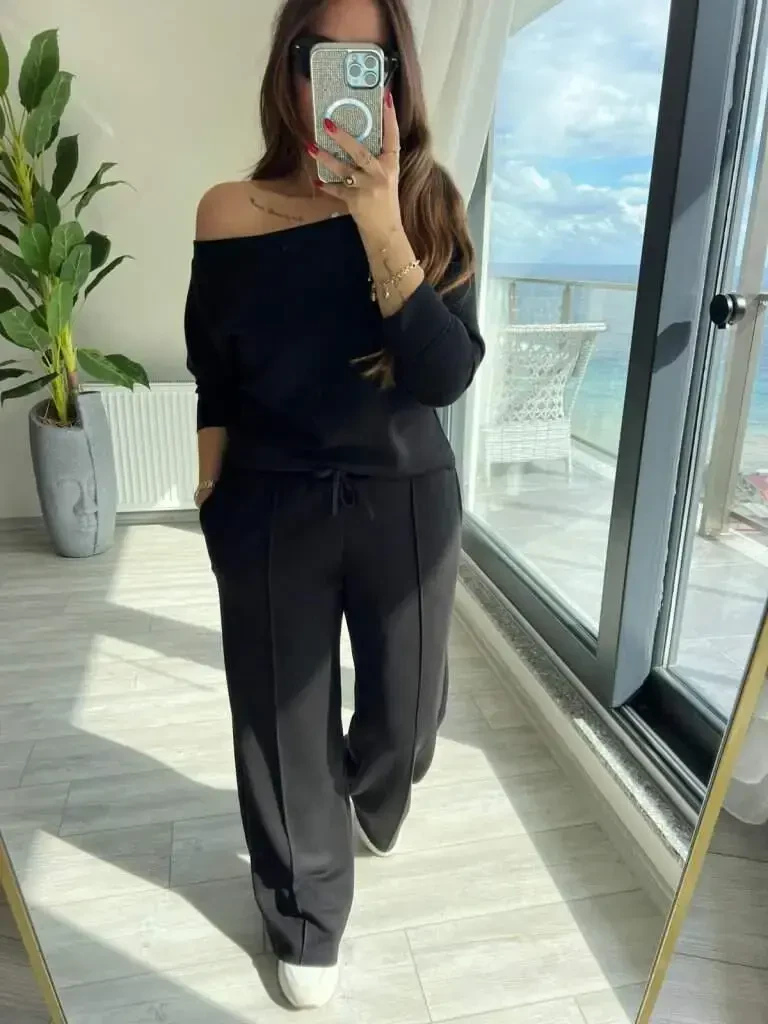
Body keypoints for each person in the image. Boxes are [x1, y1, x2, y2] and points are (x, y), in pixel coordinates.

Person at [185, 0, 484, 1009]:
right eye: (326, 55)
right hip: (271, 500)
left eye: (374, 59)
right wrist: (213, 495)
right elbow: (215, 370)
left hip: (407, 497)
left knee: (406, 725)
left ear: (396, 76)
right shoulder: (228, 211)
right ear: (291, 68)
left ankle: (371, 794)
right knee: (282, 725)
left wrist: (379, 221)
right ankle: (306, 913)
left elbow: (445, 377)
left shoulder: (430, 201)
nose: (349, 77)